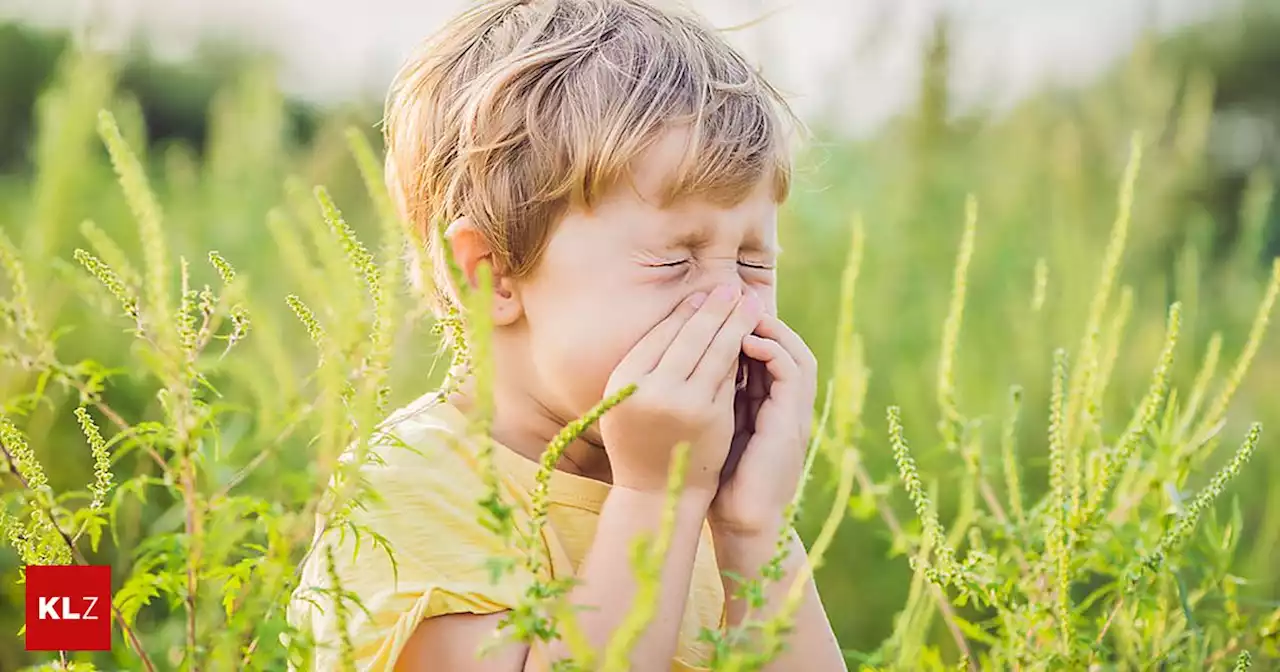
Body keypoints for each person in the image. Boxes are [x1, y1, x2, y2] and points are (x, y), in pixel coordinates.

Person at [288, 1, 846, 669]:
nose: (733, 304)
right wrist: (656, 501)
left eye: (755, 262)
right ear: (492, 275)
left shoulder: (697, 485)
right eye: (675, 259)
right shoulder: (409, 493)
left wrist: (755, 530)